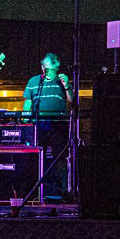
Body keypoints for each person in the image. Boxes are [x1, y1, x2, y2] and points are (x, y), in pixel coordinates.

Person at [22, 53, 73, 201]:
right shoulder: (34, 81)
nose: (46, 71)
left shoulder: (61, 81)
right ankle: (35, 190)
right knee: (36, 157)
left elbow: (72, 100)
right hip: (39, 125)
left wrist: (67, 86)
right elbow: (28, 102)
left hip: (58, 125)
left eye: (50, 69)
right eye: (44, 67)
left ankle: (64, 191)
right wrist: (25, 120)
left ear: (56, 68)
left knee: (60, 158)